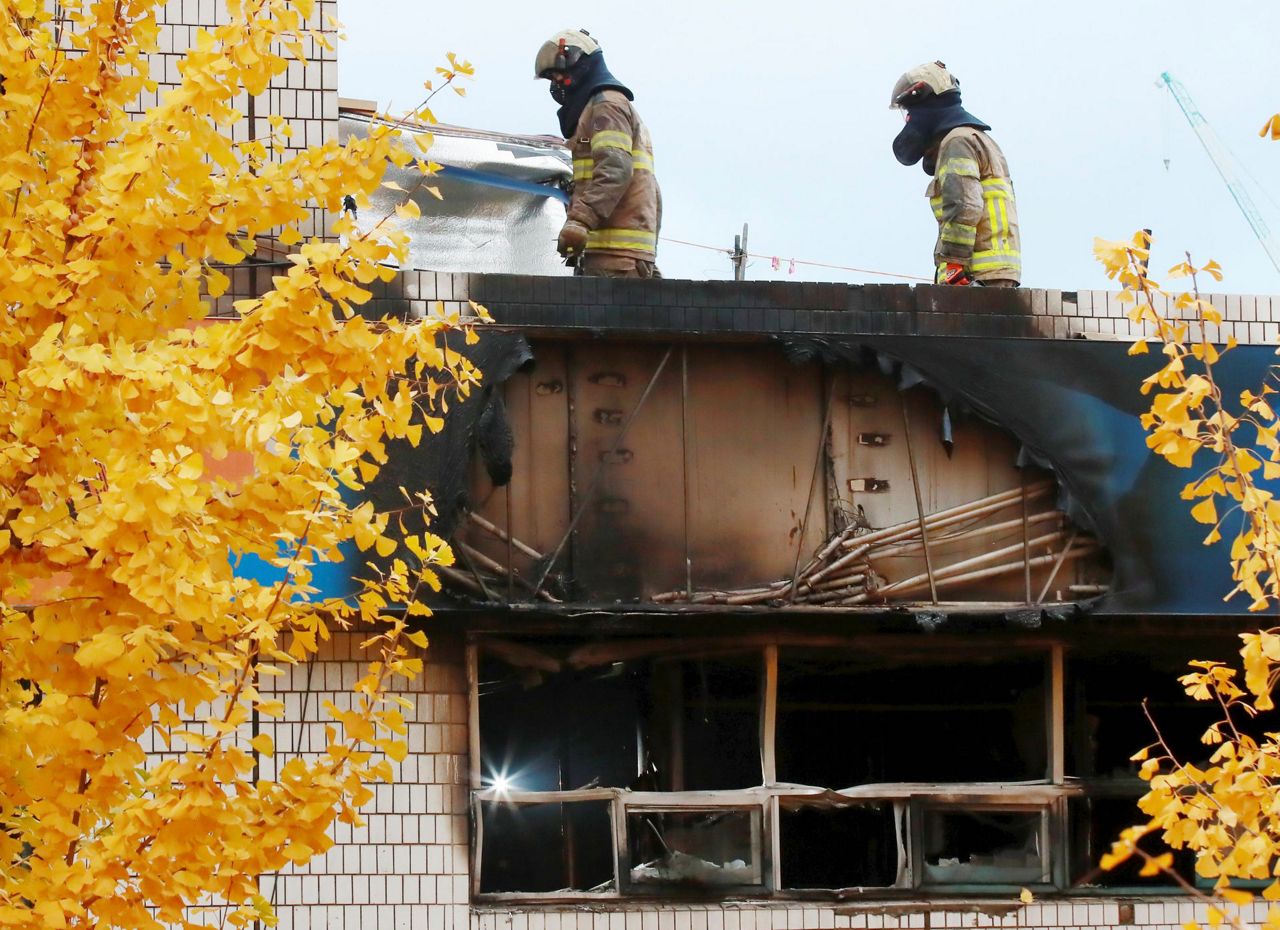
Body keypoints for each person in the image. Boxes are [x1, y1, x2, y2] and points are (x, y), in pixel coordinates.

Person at [534, 29, 662, 278]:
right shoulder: (599, 107)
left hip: (614, 258)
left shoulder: (607, 105)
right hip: (615, 255)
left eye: (559, 74)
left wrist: (580, 221)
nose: (556, 83)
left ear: (579, 64)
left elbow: (615, 169)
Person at [890, 61, 1020, 287]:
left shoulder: (957, 142)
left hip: (973, 275)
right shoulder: (978, 139)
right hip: (993, 273)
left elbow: (964, 204)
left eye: (909, 111)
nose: (909, 119)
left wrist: (953, 264)